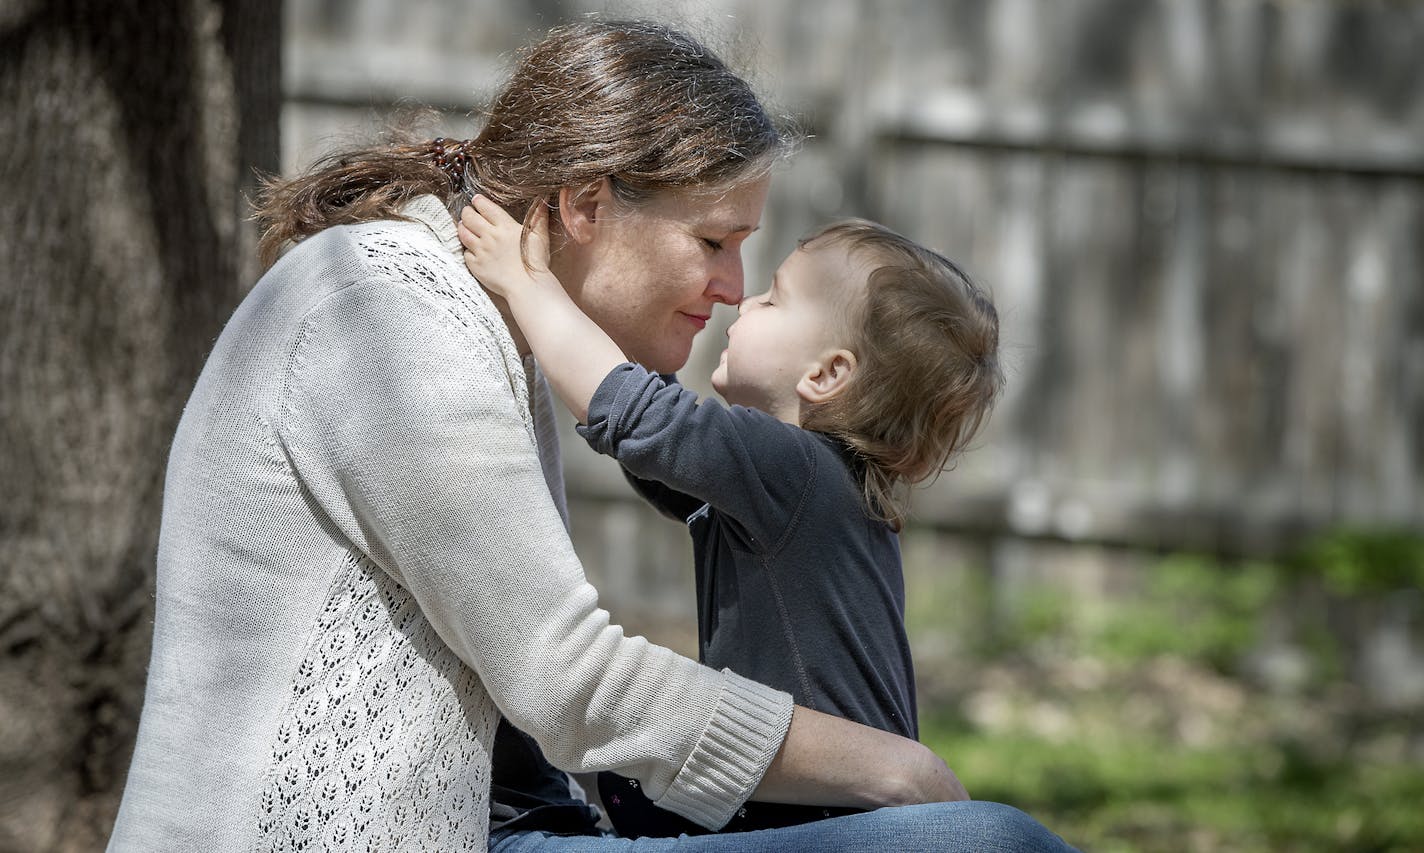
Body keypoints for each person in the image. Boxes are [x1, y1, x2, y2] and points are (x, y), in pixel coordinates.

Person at [105, 18, 1074, 853]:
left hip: (504, 825)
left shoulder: (462, 317)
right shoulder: (386, 315)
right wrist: (890, 769)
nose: (733, 288)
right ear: (584, 206)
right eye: (712, 242)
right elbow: (565, 675)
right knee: (986, 841)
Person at [459, 195, 1002, 841]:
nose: (742, 303)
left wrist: (529, 285)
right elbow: (650, 448)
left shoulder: (795, 470)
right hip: (828, 807)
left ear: (826, 374)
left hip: (821, 815)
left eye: (773, 299)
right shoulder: (809, 490)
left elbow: (636, 415)